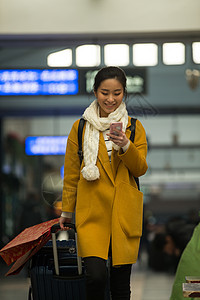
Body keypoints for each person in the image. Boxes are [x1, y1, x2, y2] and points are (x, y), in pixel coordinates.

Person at [59, 66, 148, 300]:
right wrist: (67, 210)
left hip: (122, 212)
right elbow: (71, 174)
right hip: (93, 212)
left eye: (117, 93)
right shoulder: (79, 128)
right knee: (95, 277)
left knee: (120, 284)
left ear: (124, 93)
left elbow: (140, 168)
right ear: (95, 92)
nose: (110, 99)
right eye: (104, 92)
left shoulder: (134, 127)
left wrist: (126, 145)